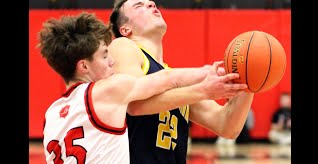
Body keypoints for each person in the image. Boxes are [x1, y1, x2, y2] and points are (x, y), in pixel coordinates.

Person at [38, 12, 247, 163]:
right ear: (83, 66)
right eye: (104, 55)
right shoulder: (108, 89)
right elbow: (167, 78)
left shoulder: (53, 113)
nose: (111, 62)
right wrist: (210, 76)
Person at [108, 0, 255, 164]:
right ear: (125, 29)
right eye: (139, 6)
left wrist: (249, 81)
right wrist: (203, 90)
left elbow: (227, 126)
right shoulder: (122, 46)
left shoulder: (175, 79)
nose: (151, 5)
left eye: (151, 3)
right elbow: (134, 103)